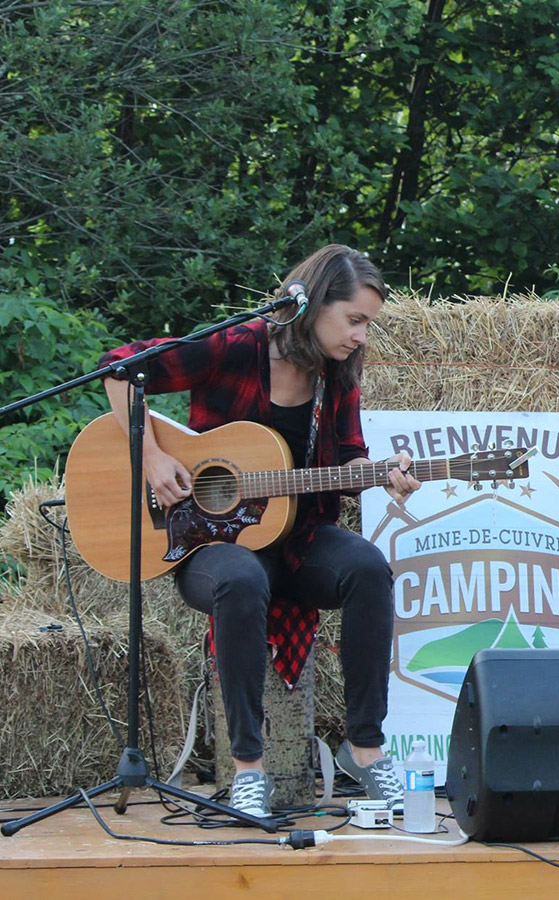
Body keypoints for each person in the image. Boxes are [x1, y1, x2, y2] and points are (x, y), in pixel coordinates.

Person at [98, 244, 418, 818]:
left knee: (368, 568)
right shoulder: (237, 346)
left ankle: (366, 751)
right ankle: (250, 770)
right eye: (354, 320)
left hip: (297, 539)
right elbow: (120, 369)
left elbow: (347, 459)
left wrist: (377, 474)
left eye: (368, 324)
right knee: (240, 578)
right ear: (314, 303)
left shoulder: (338, 373)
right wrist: (149, 456)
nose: (361, 336)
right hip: (205, 542)